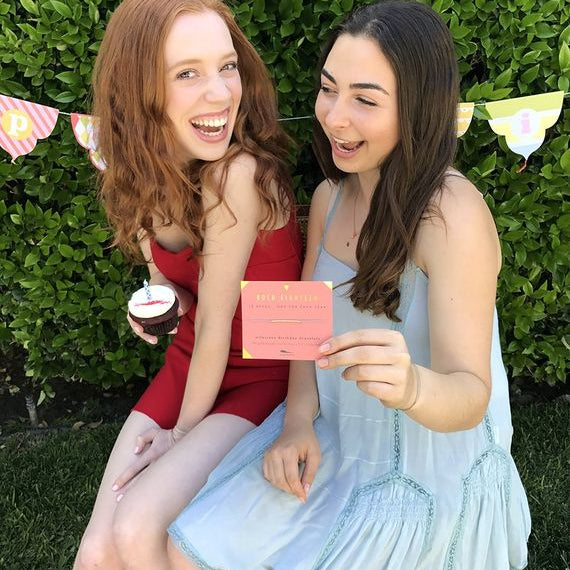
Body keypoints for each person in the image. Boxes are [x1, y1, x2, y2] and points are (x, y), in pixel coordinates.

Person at [166, 2, 531, 569]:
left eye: (365, 99)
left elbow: (470, 396)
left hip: (424, 473)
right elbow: (299, 324)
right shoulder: (330, 197)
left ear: (418, 108)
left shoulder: (454, 216)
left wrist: (411, 385)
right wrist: (295, 423)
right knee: (185, 547)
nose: (334, 117)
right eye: (328, 89)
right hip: (334, 436)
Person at [73, 1, 302, 569]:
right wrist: (159, 303)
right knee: (96, 551)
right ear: (139, 90)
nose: (221, 93)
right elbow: (172, 286)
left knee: (137, 525)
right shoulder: (141, 176)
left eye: (227, 66)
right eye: (187, 73)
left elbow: (219, 325)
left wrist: (179, 437)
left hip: (262, 375)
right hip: (191, 363)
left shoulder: (237, 175)